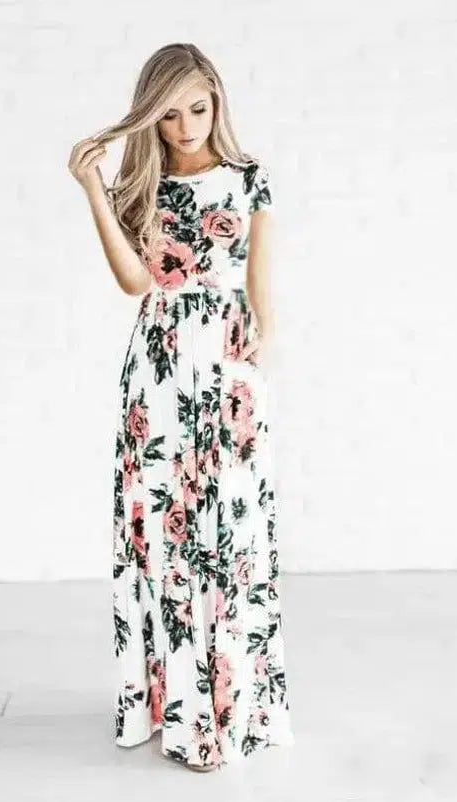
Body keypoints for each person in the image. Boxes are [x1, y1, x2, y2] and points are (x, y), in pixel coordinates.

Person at [68, 43, 295, 773]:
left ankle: (231, 710)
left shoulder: (250, 178)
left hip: (228, 366)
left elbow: (261, 293)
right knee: (167, 532)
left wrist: (257, 364)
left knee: (229, 532)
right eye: (169, 114)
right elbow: (136, 283)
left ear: (217, 102)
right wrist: (94, 189)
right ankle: (176, 709)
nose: (187, 125)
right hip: (160, 370)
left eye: (198, 108)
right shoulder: (146, 187)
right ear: (151, 119)